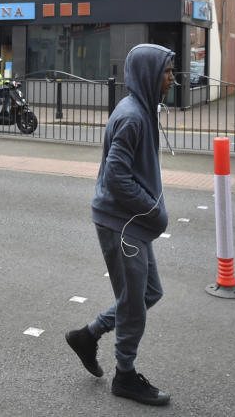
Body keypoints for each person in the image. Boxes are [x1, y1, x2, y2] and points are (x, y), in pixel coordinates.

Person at [65, 43, 174, 407]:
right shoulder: (132, 117)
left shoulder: (141, 110)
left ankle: (88, 335)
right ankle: (125, 376)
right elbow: (116, 177)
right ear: (149, 74)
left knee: (148, 293)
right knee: (133, 304)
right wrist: (153, 211)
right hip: (121, 224)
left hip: (131, 222)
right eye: (167, 72)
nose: (172, 79)